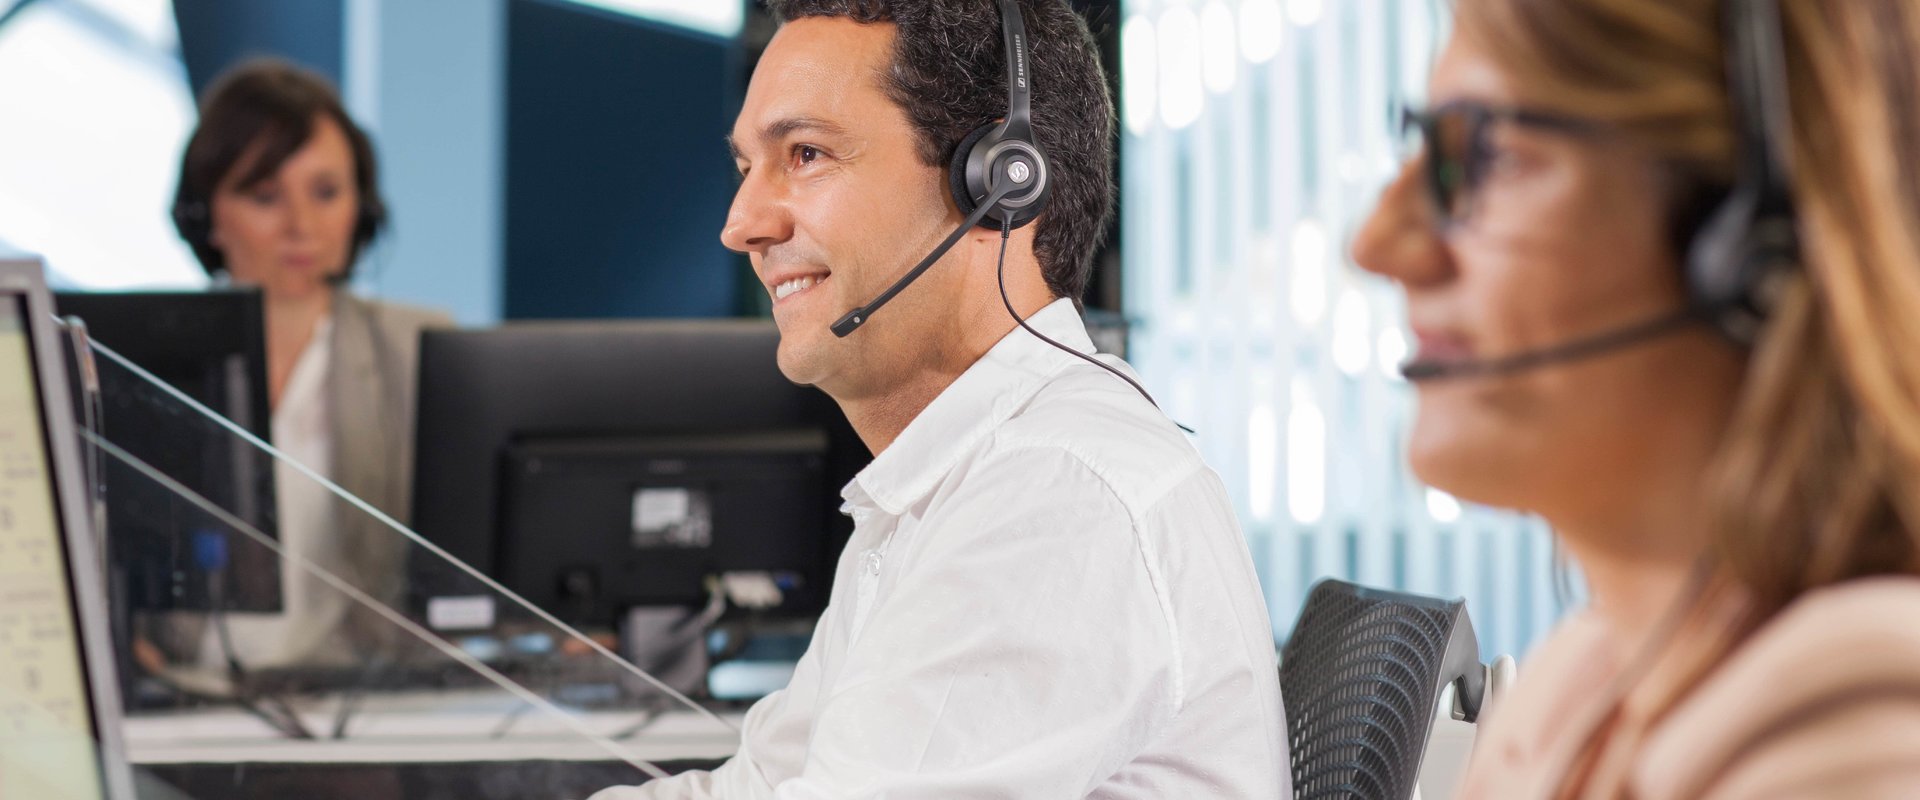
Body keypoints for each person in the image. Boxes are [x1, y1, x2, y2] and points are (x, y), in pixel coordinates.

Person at [593, 1, 1285, 796]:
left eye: (807, 153)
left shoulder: (1052, 495)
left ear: (999, 181)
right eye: (748, 169)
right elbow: (753, 787)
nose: (740, 223)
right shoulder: (951, 482)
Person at [1353, 0, 1920, 795]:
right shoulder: (1580, 681)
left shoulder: (1859, 731)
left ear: (1752, 237)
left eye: (1490, 155)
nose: (1376, 244)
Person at [165, 58, 452, 668]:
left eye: (326, 192)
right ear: (206, 214)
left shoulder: (417, 349)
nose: (302, 226)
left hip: (360, 709)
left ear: (362, 208)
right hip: (178, 704)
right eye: (265, 195)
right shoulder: (143, 355)